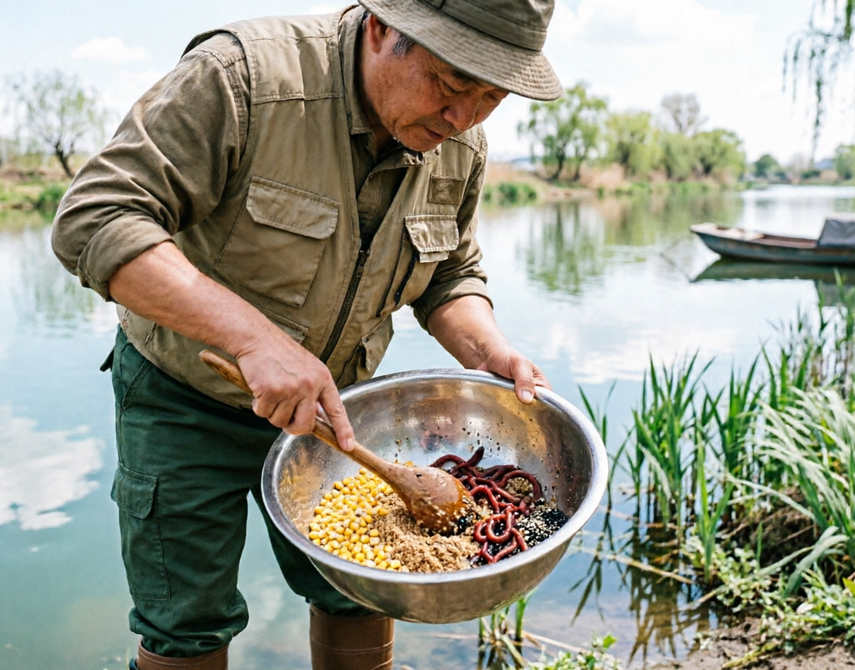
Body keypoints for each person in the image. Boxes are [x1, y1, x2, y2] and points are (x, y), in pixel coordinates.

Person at [51, 1, 562, 668]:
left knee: (361, 593)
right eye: (451, 82)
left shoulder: (458, 142)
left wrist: (487, 348)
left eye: (491, 97)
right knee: (186, 622)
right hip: (185, 399)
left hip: (340, 413)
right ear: (382, 28)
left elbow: (450, 273)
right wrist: (254, 340)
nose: (462, 117)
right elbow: (95, 219)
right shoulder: (241, 78)